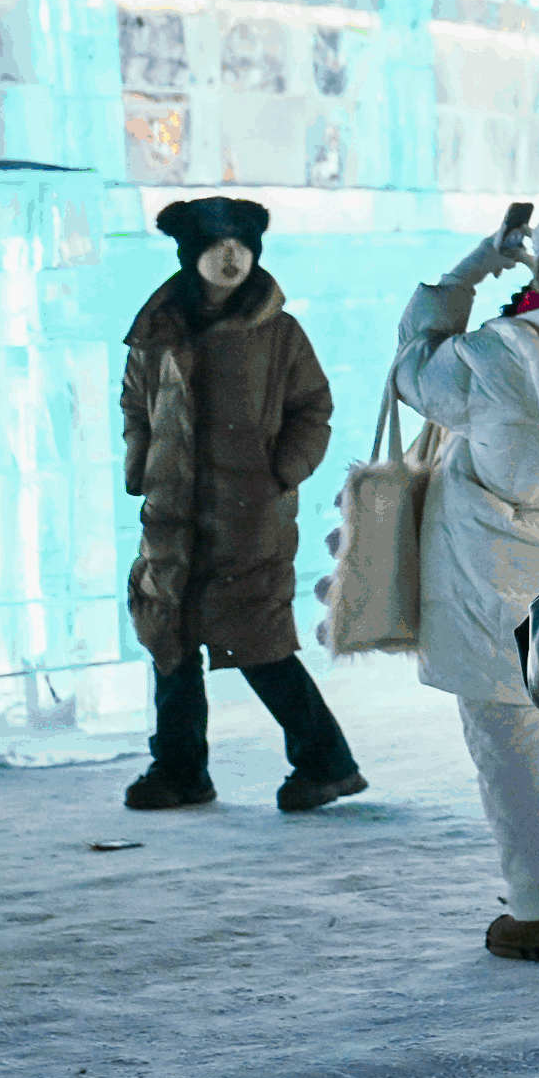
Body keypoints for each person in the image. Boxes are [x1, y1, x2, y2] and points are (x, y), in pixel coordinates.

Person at [390, 201, 539, 960]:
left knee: (507, 743)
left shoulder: (492, 357)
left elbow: (410, 368)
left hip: (489, 584)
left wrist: (472, 269)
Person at [118, 197, 366, 814]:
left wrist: (281, 471)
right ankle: (178, 771)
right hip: (171, 513)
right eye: (216, 245)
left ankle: (326, 763)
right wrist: (139, 467)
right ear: (190, 253)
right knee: (169, 640)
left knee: (259, 642)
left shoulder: (278, 333)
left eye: (242, 246)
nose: (231, 257)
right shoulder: (157, 331)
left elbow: (314, 407)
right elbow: (133, 404)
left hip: (248, 514)